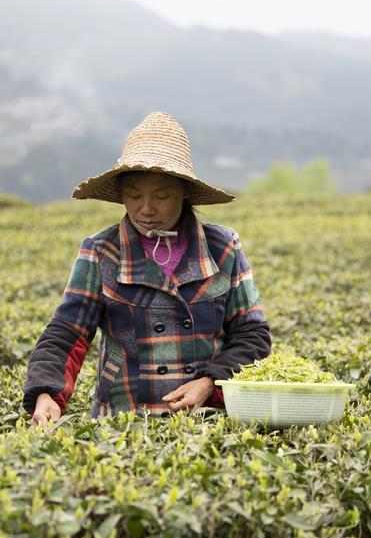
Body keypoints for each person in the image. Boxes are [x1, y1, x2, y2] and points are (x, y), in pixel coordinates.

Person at [24, 112, 272, 424]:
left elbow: (252, 335)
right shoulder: (101, 252)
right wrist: (47, 394)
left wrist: (211, 383)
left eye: (161, 195)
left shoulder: (223, 248)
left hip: (207, 423)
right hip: (123, 426)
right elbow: (67, 333)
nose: (146, 209)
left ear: (184, 192)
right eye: (134, 195)